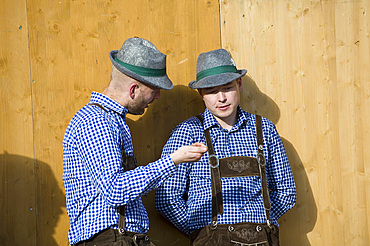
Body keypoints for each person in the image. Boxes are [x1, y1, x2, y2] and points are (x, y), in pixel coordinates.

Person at [63, 37, 207, 246]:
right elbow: (115, 190)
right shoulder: (96, 121)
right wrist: (173, 160)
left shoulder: (113, 121)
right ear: (133, 90)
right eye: (154, 89)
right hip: (108, 240)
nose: (157, 97)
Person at [155, 49, 296, 245]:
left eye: (227, 88)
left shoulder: (264, 129)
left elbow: (286, 191)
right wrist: (199, 230)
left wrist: (264, 219)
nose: (221, 98)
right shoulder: (187, 132)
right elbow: (166, 198)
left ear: (239, 84)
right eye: (212, 91)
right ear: (201, 94)